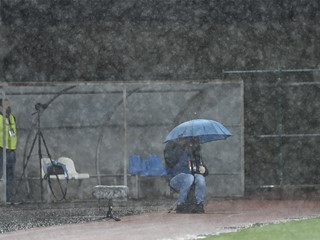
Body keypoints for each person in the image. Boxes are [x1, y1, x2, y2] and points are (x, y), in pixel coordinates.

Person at [165, 137, 208, 213]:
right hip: (175, 179)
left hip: (190, 180)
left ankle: (199, 204)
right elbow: (170, 162)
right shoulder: (176, 150)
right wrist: (180, 148)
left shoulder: (196, 155)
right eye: (190, 143)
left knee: (200, 178)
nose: (192, 145)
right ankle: (180, 204)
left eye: (193, 144)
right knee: (189, 177)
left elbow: (203, 171)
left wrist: (203, 170)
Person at [0, 99, 17, 202]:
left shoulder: (12, 117)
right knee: (1, 175)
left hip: (11, 151)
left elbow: (14, 133)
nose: (8, 107)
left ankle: (8, 198)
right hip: (1, 150)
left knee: (10, 176)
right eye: (6, 105)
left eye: (9, 105)